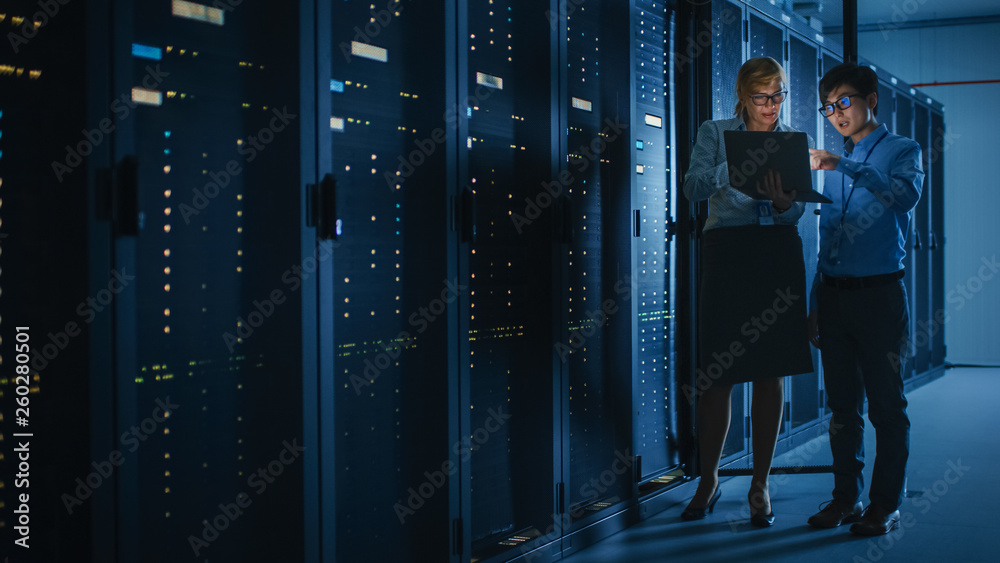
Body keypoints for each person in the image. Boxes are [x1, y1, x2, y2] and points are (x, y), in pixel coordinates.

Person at [681, 57, 814, 528]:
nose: (771, 106)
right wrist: (732, 167)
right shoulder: (715, 131)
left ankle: (761, 484)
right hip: (728, 253)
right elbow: (692, 187)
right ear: (742, 96)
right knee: (717, 373)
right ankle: (709, 478)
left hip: (776, 251)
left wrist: (783, 204)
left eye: (778, 95)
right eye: (762, 98)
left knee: (770, 371)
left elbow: (796, 213)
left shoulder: (797, 140)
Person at [806, 62, 923, 536]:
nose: (836, 114)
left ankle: (885, 504)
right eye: (829, 106)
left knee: (886, 408)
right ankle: (844, 499)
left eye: (845, 102)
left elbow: (905, 196)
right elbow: (828, 238)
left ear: (871, 99)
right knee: (841, 407)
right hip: (834, 298)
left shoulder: (903, 149)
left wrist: (844, 164)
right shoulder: (831, 166)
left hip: (879, 296)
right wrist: (816, 301)